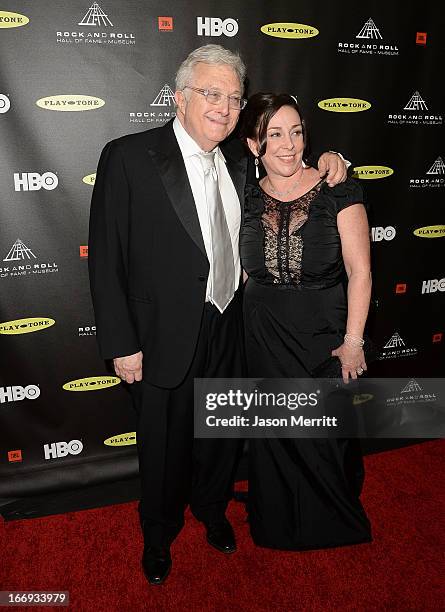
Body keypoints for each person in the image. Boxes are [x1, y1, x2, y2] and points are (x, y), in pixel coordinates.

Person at [88, 46, 347, 585]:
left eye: (233, 98)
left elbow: (288, 171)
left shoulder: (237, 160)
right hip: (160, 336)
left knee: (219, 436)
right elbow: (106, 256)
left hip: (232, 326)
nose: (224, 107)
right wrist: (120, 342)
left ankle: (210, 511)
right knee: (160, 447)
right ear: (180, 98)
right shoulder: (129, 156)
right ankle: (157, 535)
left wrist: (330, 161)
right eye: (211, 93)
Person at [240, 93, 372, 550]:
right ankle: (275, 523)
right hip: (261, 330)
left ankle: (331, 522)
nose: (288, 144)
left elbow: (361, 272)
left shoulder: (338, 187)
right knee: (274, 431)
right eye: (274, 134)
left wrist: (354, 340)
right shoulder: (245, 193)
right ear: (253, 144)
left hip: (322, 330)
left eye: (296, 132)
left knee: (321, 431)